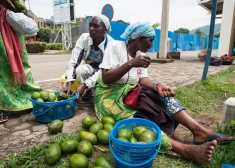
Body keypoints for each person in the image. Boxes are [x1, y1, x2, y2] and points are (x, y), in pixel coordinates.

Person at [94, 22, 233, 165]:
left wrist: (157, 85)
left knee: (165, 97)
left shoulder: (141, 55)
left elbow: (143, 79)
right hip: (108, 95)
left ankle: (199, 131)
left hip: (130, 92)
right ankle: (184, 150)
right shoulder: (115, 47)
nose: (151, 45)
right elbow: (106, 77)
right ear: (140, 38)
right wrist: (130, 64)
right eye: (150, 40)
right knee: (134, 121)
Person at [0, 0, 41, 123]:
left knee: (18, 72)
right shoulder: (9, 9)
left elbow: (31, 29)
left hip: (13, 42)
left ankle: (28, 102)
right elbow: (32, 29)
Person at [61, 14, 114, 101]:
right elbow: (73, 62)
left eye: (96, 26)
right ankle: (89, 91)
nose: (91, 28)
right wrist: (69, 84)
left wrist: (85, 85)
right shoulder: (84, 38)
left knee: (100, 98)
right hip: (92, 68)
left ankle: (89, 89)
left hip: (105, 72)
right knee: (81, 69)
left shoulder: (111, 44)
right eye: (90, 25)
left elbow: (105, 69)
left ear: (105, 30)